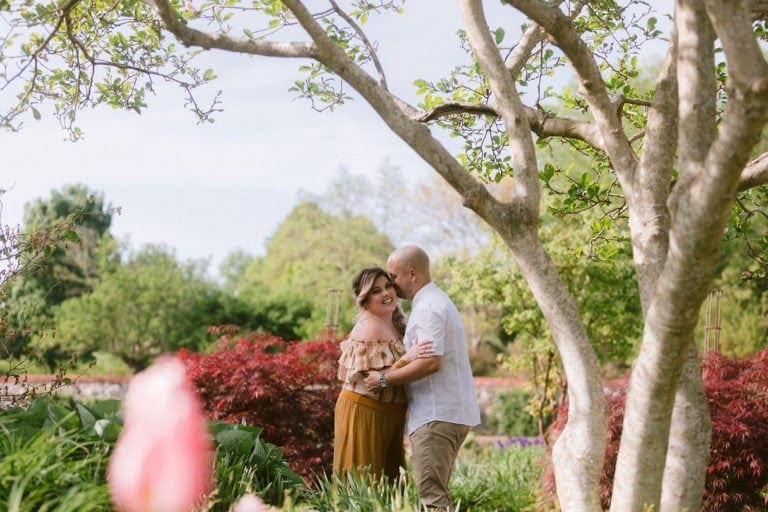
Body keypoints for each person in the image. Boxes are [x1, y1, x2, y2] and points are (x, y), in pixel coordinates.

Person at [364, 246, 481, 511]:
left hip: (436, 416)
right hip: (445, 413)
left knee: (433, 499)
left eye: (393, 276)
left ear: (412, 274)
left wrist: (383, 379)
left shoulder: (429, 308)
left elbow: (430, 362)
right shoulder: (433, 302)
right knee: (437, 495)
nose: (390, 284)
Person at [333, 266, 433, 481]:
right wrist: (410, 357)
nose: (386, 293)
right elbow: (372, 381)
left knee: (390, 483)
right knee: (363, 482)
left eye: (388, 286)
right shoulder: (368, 328)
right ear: (365, 300)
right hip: (365, 411)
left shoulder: (395, 323)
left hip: (390, 414)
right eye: (376, 291)